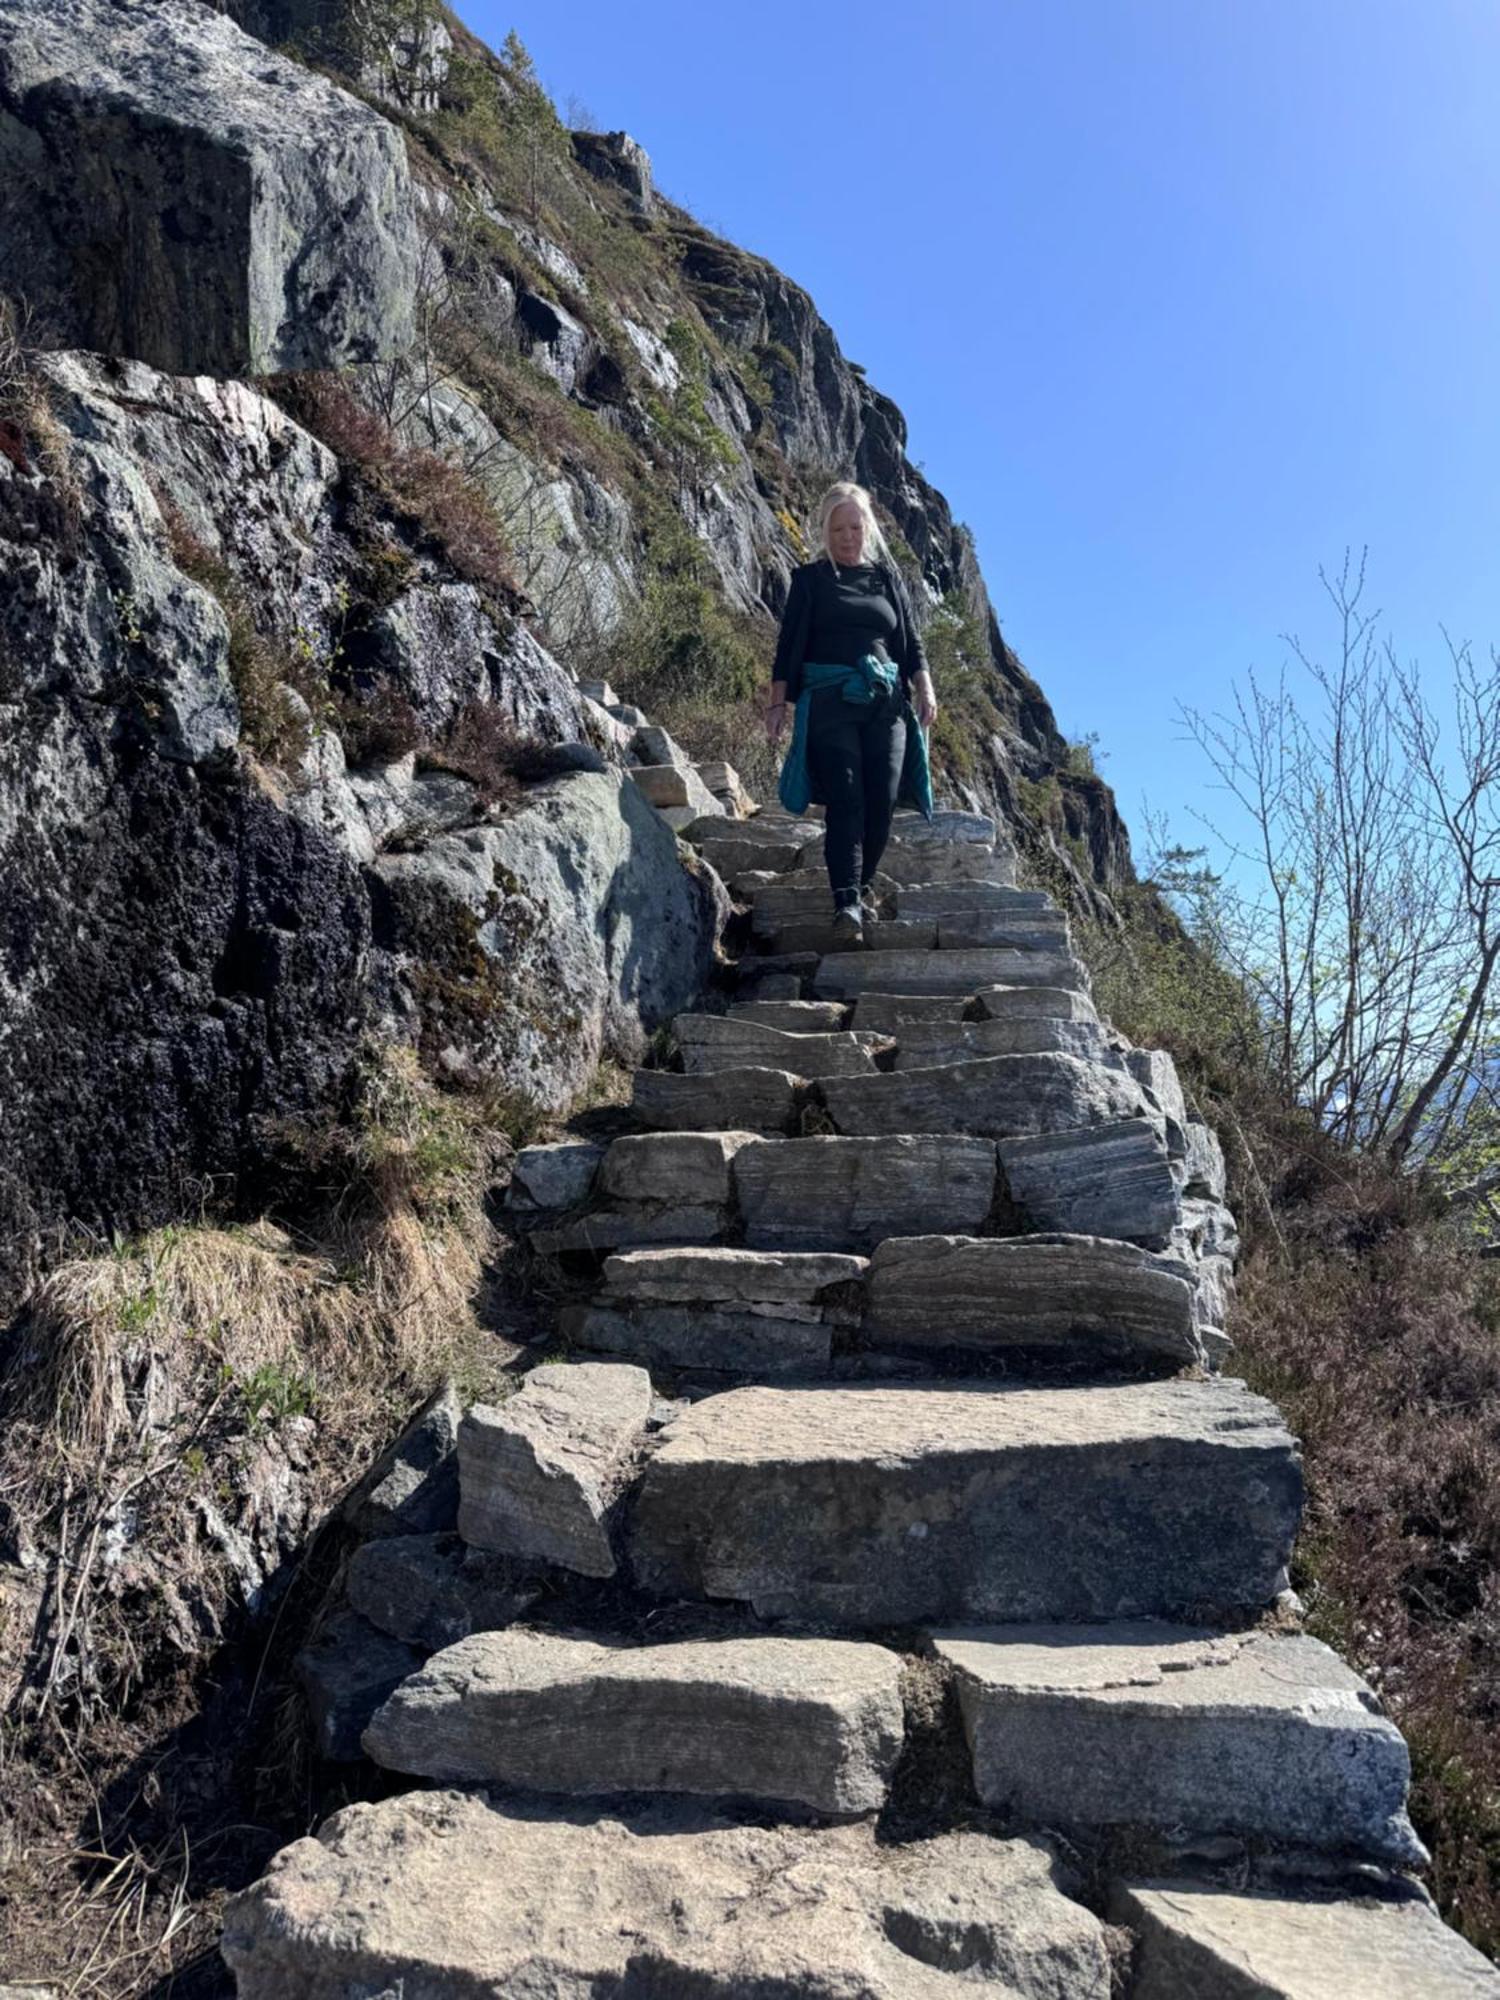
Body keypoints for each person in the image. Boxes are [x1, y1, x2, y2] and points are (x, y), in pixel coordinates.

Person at [764, 481, 939, 944]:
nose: (847, 535)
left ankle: (860, 892)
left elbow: (911, 643)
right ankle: (846, 903)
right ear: (824, 531)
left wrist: (925, 688)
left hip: (886, 703)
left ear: (868, 527)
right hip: (829, 699)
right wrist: (777, 703)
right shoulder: (810, 580)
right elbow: (787, 648)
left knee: (880, 798)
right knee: (846, 796)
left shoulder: (887, 579)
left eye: (855, 526)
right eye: (837, 527)